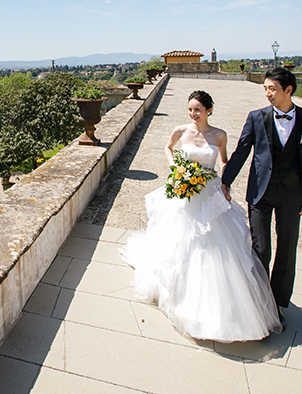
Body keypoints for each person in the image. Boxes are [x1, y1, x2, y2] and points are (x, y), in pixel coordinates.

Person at [121, 90, 282, 342]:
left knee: (213, 246)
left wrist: (225, 185)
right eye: (190, 109)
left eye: (197, 109)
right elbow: (168, 147)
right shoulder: (181, 130)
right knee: (180, 242)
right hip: (183, 194)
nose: (193, 114)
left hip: (209, 195)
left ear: (209, 110)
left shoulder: (219, 135)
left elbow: (225, 161)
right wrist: (175, 168)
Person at [221, 68, 302, 329]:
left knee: (287, 249)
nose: (268, 93)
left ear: (289, 90)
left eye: (272, 89)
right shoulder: (256, 118)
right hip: (260, 193)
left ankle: (276, 304)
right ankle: (258, 300)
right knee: (261, 249)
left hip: (292, 194)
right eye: (265, 88)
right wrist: (225, 182)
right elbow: (241, 151)